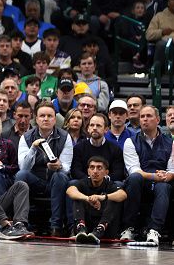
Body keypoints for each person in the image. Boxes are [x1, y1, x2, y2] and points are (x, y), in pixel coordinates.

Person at [16, 100, 73, 236]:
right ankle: (21, 223)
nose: (46, 119)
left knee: (61, 176)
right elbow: (23, 167)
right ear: (36, 119)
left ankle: (56, 226)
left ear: (55, 119)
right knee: (21, 175)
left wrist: (59, 166)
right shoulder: (26, 137)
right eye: (42, 116)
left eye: (49, 116)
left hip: (55, 180)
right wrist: (33, 148)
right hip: (36, 180)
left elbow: (67, 167)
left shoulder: (65, 137)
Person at [121, 105, 174, 245]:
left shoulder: (171, 142)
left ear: (157, 119)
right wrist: (154, 177)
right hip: (140, 183)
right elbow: (134, 170)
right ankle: (129, 228)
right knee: (134, 178)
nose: (145, 119)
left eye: (149, 116)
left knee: (164, 187)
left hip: (161, 183)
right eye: (142, 116)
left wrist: (168, 176)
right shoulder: (130, 141)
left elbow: (171, 169)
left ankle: (154, 230)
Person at [67, 156, 127, 244]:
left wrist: (101, 197)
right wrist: (88, 198)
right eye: (92, 167)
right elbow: (70, 191)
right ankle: (81, 228)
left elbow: (123, 195)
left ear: (106, 172)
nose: (95, 171)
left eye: (99, 168)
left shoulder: (110, 184)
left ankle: (100, 229)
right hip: (87, 227)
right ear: (88, 171)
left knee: (113, 198)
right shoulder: (83, 183)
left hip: (106, 229)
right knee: (77, 197)